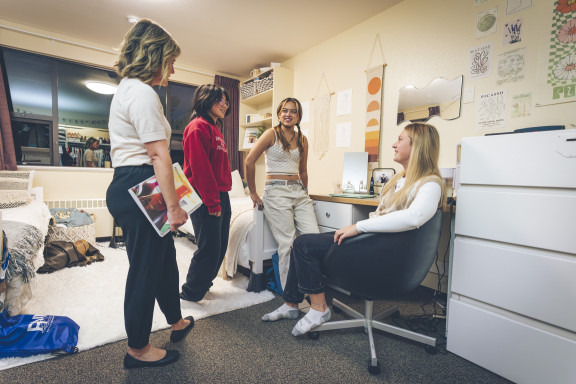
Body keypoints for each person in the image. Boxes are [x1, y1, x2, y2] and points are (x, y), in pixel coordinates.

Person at [261, 123, 446, 336]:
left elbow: (414, 218)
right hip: (372, 243)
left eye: (400, 140)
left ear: (418, 146)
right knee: (301, 243)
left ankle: (319, 308)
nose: (394, 144)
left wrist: (358, 227)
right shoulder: (400, 180)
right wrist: (360, 229)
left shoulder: (430, 184)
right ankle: (291, 304)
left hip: (385, 255)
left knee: (304, 245)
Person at [105, 19, 194, 369]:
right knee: (145, 267)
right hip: (140, 184)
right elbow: (158, 155)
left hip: (134, 183)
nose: (172, 69)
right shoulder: (142, 93)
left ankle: (175, 319)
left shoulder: (127, 89)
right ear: (155, 56)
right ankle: (138, 349)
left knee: (163, 258)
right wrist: (173, 207)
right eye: (170, 61)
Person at [244, 98, 319, 290]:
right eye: (284, 111)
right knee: (287, 244)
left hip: (299, 192)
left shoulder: (302, 139)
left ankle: (312, 289)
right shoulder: (271, 134)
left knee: (314, 239)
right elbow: (249, 161)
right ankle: (290, 296)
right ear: (279, 114)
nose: (288, 114)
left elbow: (303, 170)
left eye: (293, 111)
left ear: (298, 116)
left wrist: (306, 193)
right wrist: (253, 192)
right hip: (276, 191)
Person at [180, 84, 232, 302]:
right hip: (204, 196)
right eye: (220, 99)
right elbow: (201, 169)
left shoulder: (215, 128)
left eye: (226, 101)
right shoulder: (197, 127)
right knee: (208, 248)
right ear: (206, 99)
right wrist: (212, 203)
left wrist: (220, 200)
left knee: (219, 247)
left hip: (221, 194)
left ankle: (203, 284)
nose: (225, 104)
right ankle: (190, 293)